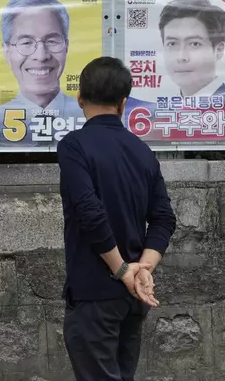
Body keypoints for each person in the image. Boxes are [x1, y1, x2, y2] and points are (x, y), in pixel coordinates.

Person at [57, 56, 177, 381]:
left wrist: (123, 269)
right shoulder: (142, 151)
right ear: (123, 103)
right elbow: (164, 219)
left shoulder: (73, 146)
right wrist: (143, 269)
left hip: (96, 291)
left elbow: (89, 212)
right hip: (132, 297)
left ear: (79, 98)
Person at [0, 0, 84, 147]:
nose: (41, 56)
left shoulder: (87, 117)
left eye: (51, 41)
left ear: (67, 47)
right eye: (26, 42)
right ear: (6, 52)